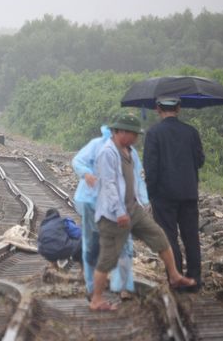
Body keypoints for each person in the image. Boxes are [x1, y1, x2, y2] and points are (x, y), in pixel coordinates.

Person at [90, 112, 196, 311]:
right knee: (107, 258)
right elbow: (109, 185)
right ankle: (96, 299)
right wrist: (119, 211)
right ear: (121, 132)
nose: (137, 138)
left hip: (134, 209)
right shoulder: (107, 152)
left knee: (159, 236)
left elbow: (134, 180)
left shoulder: (128, 150)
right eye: (134, 134)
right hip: (114, 215)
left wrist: (141, 201)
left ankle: (174, 276)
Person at [143, 96, 204, 292]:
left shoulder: (153, 133)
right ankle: (195, 279)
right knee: (191, 236)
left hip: (163, 194)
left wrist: (149, 193)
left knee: (168, 237)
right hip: (188, 192)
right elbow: (200, 161)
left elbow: (150, 168)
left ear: (157, 109)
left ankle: (176, 278)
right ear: (178, 108)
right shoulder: (191, 132)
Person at [72, 125, 135, 300]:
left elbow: (134, 176)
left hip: (118, 205)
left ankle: (122, 287)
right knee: (94, 245)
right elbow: (78, 161)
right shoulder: (96, 144)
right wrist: (86, 174)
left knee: (122, 244)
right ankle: (94, 288)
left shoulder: (129, 151)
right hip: (92, 202)